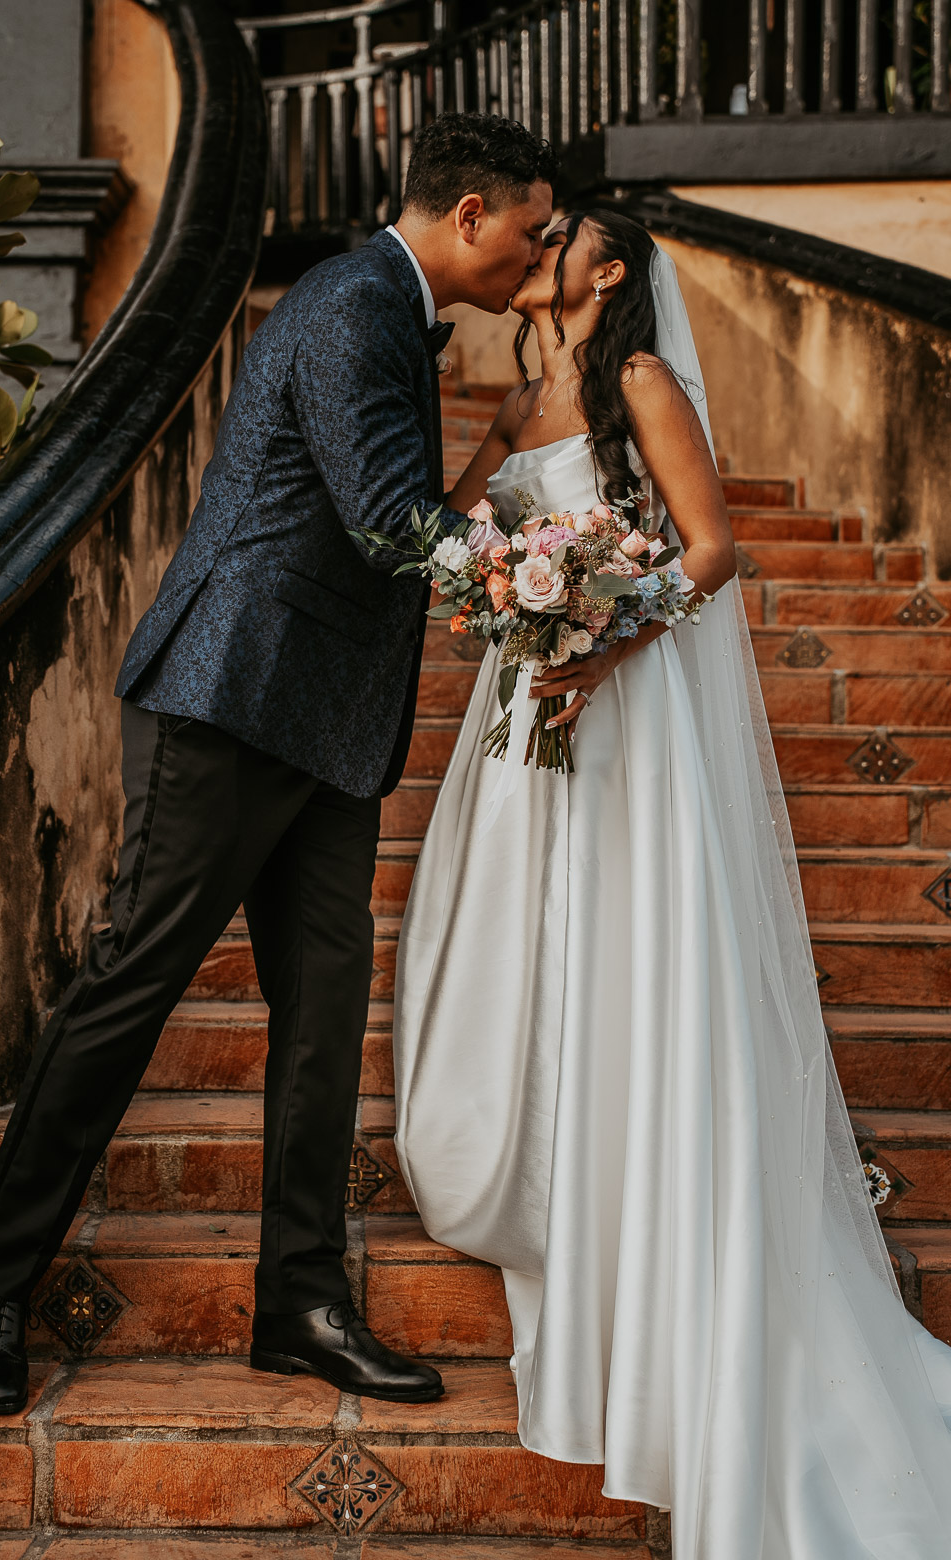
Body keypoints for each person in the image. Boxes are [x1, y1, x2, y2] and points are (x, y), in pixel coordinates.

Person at [0, 111, 558, 1417]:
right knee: (128, 991)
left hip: (329, 727)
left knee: (325, 1018)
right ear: (468, 216)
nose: (538, 252)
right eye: (529, 226)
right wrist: (541, 588)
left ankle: (303, 1305)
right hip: (231, 699)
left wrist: (509, 492)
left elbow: (393, 513)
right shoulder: (351, 305)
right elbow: (390, 514)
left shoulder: (392, 313)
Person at [393, 208, 951, 1558]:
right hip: (522, 714)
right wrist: (498, 594)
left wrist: (595, 635)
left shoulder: (643, 382)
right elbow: (444, 533)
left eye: (562, 234)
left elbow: (711, 548)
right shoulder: (521, 392)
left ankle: (642, 1193)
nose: (538, 243)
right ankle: (531, 1166)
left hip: (618, 708)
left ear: (613, 271)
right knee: (504, 954)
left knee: (621, 954)